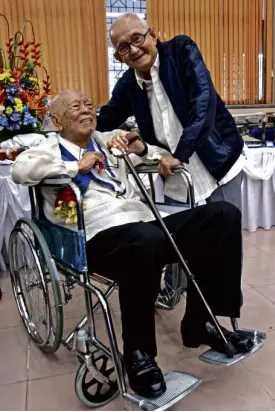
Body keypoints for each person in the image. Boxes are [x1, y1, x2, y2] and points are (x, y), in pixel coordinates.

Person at [12, 89, 252, 399]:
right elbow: (20, 170)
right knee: (145, 240)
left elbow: (154, 156)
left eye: (89, 104)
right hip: (94, 236)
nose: (86, 109)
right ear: (57, 120)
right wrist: (75, 167)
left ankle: (201, 322)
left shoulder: (108, 139)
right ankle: (139, 355)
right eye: (76, 107)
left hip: (141, 223)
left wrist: (138, 147)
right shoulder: (47, 148)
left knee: (223, 216)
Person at [97, 13, 244, 210]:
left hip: (218, 163)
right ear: (118, 58)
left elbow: (203, 104)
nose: (134, 49)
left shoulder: (181, 51)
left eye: (137, 38)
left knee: (226, 234)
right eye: (124, 47)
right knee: (184, 238)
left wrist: (180, 154)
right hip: (177, 179)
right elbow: (103, 121)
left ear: (153, 35)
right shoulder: (127, 86)